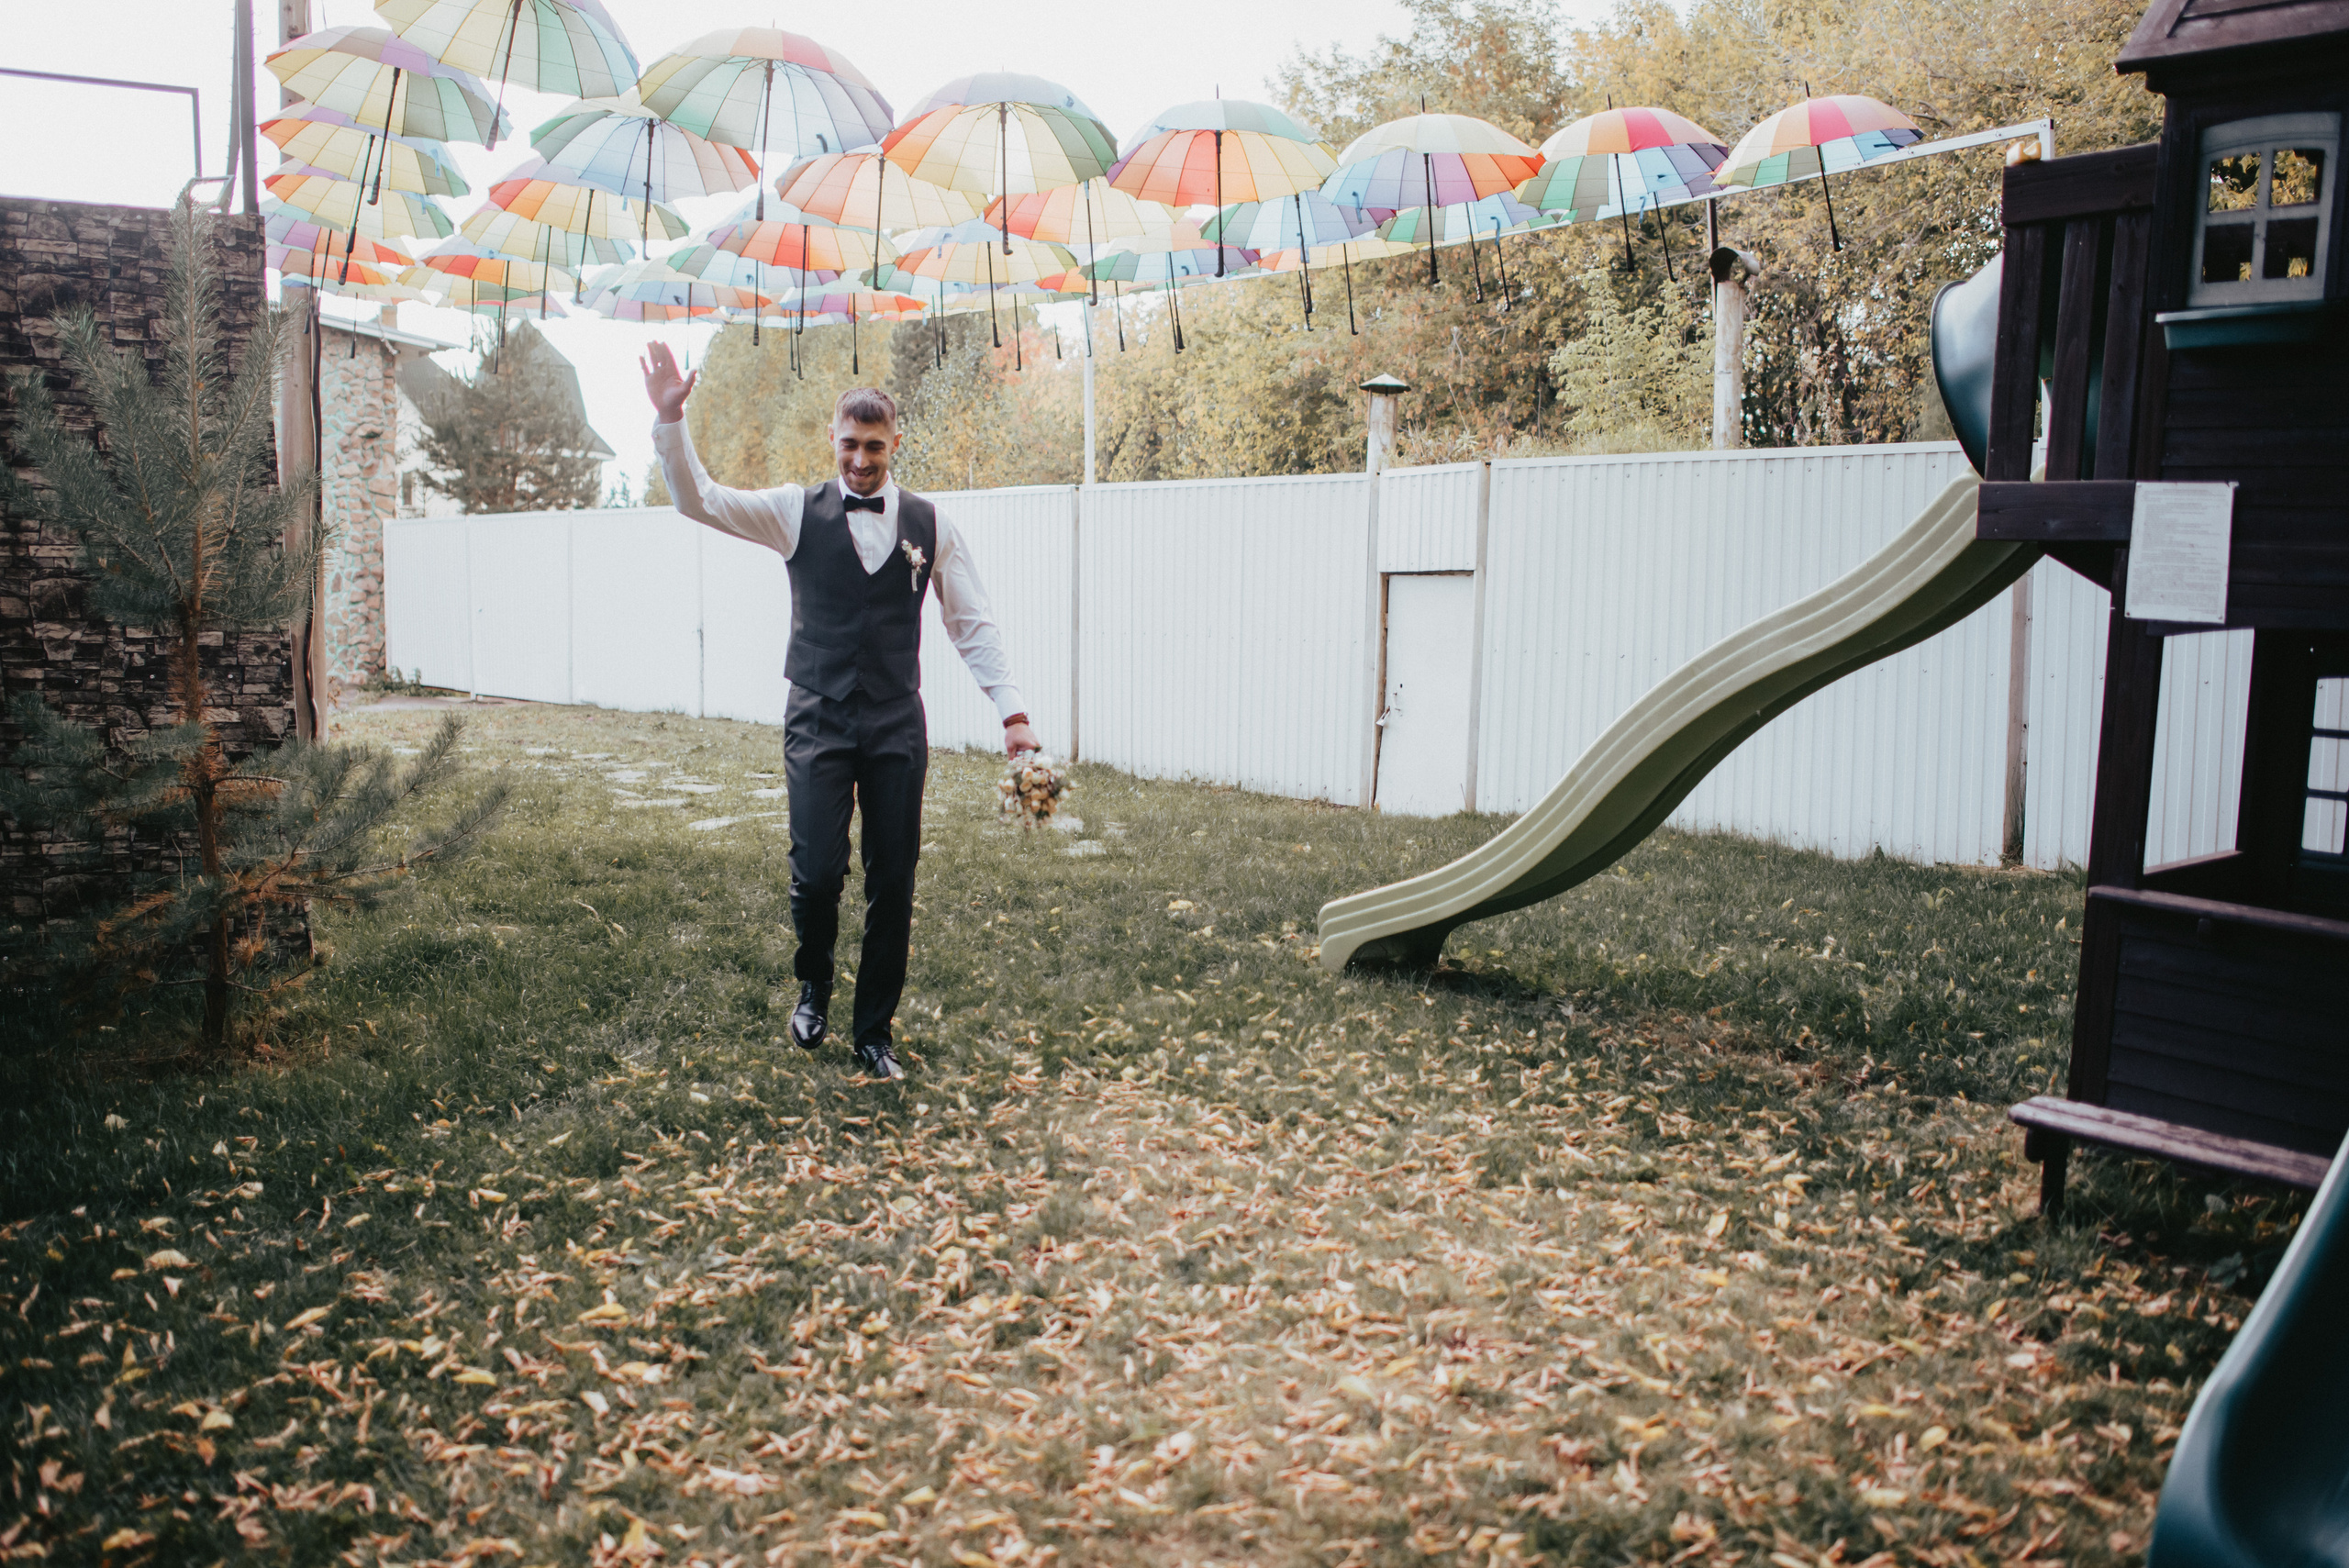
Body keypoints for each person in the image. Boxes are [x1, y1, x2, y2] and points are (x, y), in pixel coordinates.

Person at [640, 343, 1041, 1081]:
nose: (861, 459)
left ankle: (874, 1032)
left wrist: (1012, 712)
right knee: (819, 870)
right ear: (834, 439)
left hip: (895, 720)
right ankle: (814, 983)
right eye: (850, 445)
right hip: (817, 715)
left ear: (895, 444)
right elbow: (702, 499)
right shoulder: (796, 511)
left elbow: (971, 623)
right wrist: (672, 420)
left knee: (896, 877)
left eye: (875, 447)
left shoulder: (930, 523)